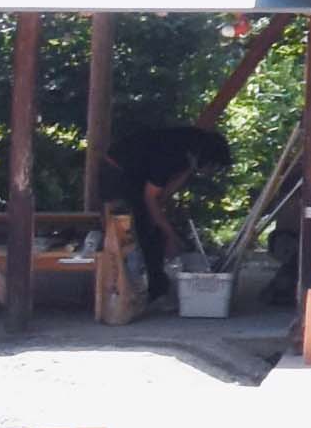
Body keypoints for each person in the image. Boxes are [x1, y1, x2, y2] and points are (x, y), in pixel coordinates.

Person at [101, 112, 239, 296]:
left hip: (138, 171)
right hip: (118, 172)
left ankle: (155, 281)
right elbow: (151, 199)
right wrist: (170, 235)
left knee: (156, 223)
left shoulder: (191, 145)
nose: (210, 172)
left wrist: (165, 216)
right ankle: (151, 285)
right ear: (206, 159)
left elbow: (170, 186)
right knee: (146, 227)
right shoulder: (170, 155)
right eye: (212, 167)